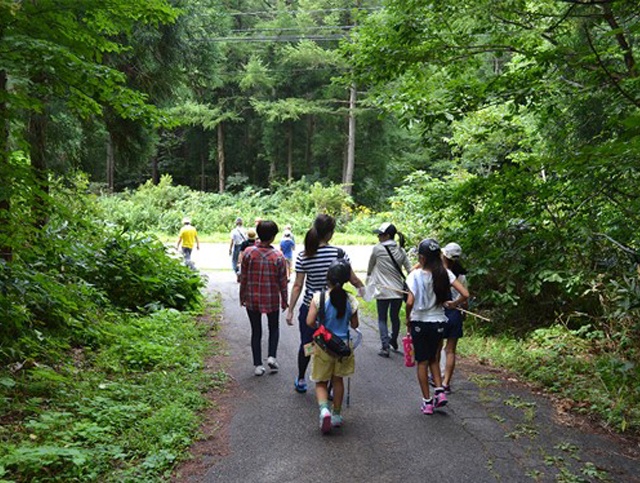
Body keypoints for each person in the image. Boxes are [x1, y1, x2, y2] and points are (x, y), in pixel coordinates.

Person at [286, 214, 365, 394]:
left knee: (308, 344)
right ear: (329, 233)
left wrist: (290, 310)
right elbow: (352, 278)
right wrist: (362, 288)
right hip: (334, 306)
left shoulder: (304, 255)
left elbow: (298, 285)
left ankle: (301, 378)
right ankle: (330, 387)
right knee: (333, 345)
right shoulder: (339, 253)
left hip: (310, 306)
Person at [405, 238, 469, 415]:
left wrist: (407, 318)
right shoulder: (445, 273)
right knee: (433, 358)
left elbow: (410, 302)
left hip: (419, 322)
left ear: (422, 258)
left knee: (422, 362)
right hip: (439, 321)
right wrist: (453, 304)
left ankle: (427, 402)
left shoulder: (415, 275)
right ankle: (439, 391)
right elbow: (465, 294)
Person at [306, 259, 359, 434]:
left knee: (321, 381)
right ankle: (336, 415)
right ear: (345, 279)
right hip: (343, 347)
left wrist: (320, 328)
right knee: (338, 380)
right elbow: (355, 324)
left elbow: (310, 321)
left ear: (327, 277)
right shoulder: (351, 299)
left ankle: (324, 410)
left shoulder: (318, 297)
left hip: (324, 346)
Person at [239, 220, 289, 376]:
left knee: (256, 330)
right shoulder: (278, 256)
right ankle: (272, 356)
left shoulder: (248, 253)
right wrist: (285, 300)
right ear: (273, 236)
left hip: (252, 299)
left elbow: (244, 278)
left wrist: (242, 296)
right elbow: (283, 281)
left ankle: (258, 365)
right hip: (272, 298)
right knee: (274, 328)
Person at [366, 222, 411, 357]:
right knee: (395, 317)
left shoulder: (377, 249)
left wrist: (368, 277)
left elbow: (370, 266)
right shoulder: (401, 250)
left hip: (382, 290)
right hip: (398, 291)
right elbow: (409, 270)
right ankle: (393, 340)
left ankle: (385, 346)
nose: (378, 237)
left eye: (380, 234)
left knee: (382, 319)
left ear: (387, 235)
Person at [439, 242, 468, 394]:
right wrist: (456, 305)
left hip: (439, 313)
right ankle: (446, 383)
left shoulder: (439, 273)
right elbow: (466, 298)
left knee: (437, 347)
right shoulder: (461, 274)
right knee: (451, 350)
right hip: (455, 314)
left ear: (444, 255)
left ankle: (437, 377)